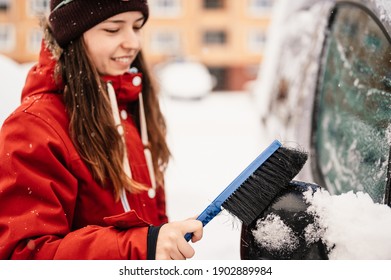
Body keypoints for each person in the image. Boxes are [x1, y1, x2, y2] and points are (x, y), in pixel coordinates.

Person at [0, 0, 203, 260]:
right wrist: (142, 246)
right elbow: (24, 257)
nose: (133, 42)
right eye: (113, 29)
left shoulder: (129, 107)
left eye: (137, 27)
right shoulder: (33, 127)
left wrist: (165, 237)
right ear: (72, 34)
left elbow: (147, 220)